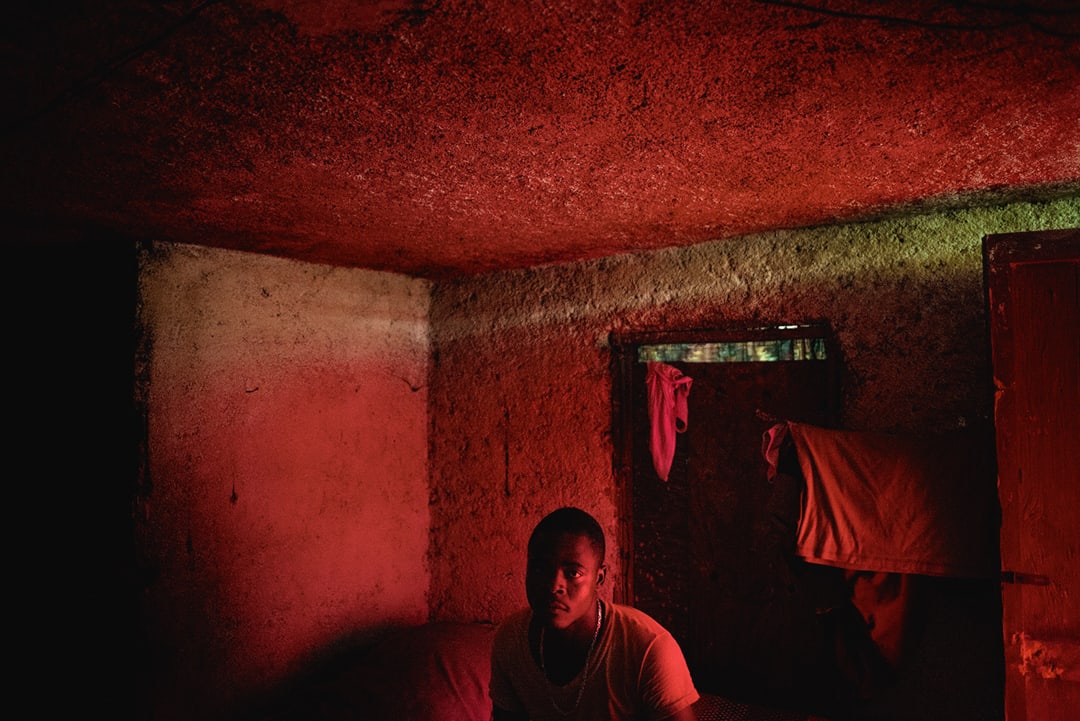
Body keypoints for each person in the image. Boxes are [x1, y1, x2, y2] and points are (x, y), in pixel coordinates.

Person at [490, 506, 699, 720]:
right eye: (539, 569)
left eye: (573, 573)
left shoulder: (648, 647)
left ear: (599, 578)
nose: (554, 586)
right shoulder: (510, 639)